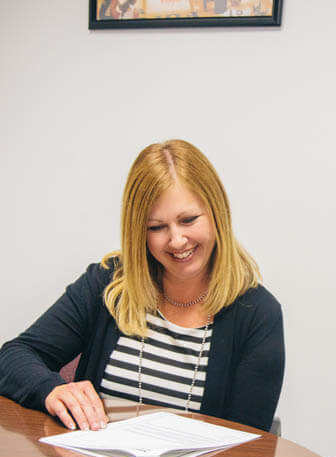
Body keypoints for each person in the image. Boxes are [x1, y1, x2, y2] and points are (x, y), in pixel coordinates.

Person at [0, 139, 284, 433]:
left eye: (188, 220)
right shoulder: (108, 284)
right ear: (138, 232)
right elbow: (13, 356)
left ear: (217, 213)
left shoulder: (257, 314)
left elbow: (247, 444)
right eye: (156, 228)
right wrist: (51, 388)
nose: (176, 241)